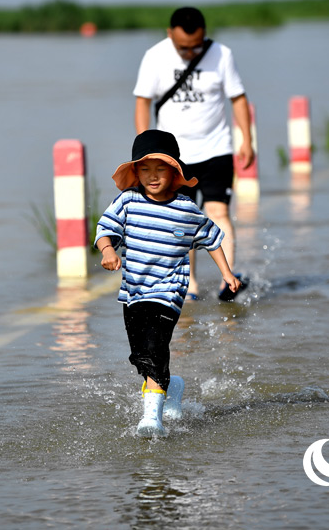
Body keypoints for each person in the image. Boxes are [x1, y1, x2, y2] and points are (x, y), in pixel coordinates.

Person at [95, 129, 241, 437]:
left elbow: (212, 240)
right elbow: (104, 229)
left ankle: (151, 419)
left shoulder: (186, 209)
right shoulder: (128, 201)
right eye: (145, 169)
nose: (152, 176)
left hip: (170, 292)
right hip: (134, 293)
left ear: (174, 172)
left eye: (160, 168)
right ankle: (171, 386)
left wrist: (227, 274)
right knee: (141, 358)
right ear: (135, 172)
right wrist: (108, 250)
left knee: (155, 350)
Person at [133, 6, 252, 302]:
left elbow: (237, 98)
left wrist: (246, 140)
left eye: (196, 46)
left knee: (218, 211)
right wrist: (144, 149)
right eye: (183, 47)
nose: (189, 52)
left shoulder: (222, 55)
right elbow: (142, 103)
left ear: (205, 35)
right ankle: (191, 286)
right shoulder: (155, 57)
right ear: (169, 34)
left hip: (217, 148)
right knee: (182, 218)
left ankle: (229, 281)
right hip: (173, 155)